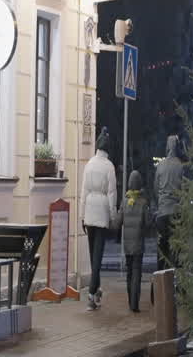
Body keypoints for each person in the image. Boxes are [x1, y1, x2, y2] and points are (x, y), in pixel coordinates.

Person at [81, 128, 118, 310]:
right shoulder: (108, 166)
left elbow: (83, 192)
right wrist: (113, 216)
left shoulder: (89, 164)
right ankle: (90, 293)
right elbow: (112, 193)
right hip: (102, 211)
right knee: (98, 256)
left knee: (92, 254)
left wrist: (82, 216)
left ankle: (97, 291)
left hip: (89, 210)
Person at [120, 169, 152, 312]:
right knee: (136, 273)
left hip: (127, 245)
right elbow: (148, 223)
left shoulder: (125, 202)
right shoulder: (143, 202)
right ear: (140, 184)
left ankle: (129, 302)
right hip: (138, 245)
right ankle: (134, 304)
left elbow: (116, 223)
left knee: (129, 273)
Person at [155, 135, 184, 274]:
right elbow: (184, 188)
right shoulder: (180, 166)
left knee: (162, 251)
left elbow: (155, 188)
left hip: (162, 213)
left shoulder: (160, 165)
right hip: (175, 214)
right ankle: (176, 282)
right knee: (176, 252)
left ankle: (161, 283)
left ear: (167, 147)